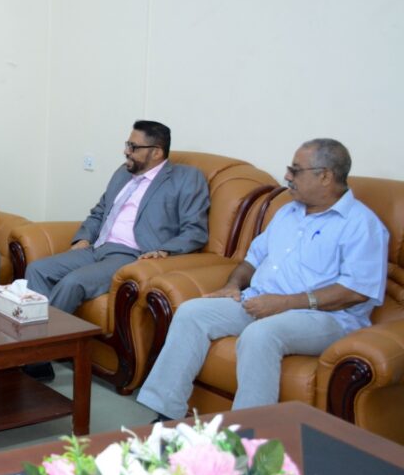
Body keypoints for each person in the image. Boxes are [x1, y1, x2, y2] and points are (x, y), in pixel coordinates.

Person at [138, 139, 388, 420]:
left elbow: (355, 291)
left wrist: (284, 303)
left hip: (323, 317)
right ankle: (166, 416)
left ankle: (249, 434)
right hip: (260, 302)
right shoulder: (288, 211)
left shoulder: (362, 225)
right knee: (192, 313)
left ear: (325, 176)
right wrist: (232, 285)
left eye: (296, 170)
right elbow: (252, 260)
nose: (287, 176)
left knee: (261, 335)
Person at [26, 120, 210, 314]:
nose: (126, 151)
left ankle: (45, 332)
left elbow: (195, 230)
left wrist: (164, 250)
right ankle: (33, 326)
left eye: (133, 147)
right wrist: (84, 238)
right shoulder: (123, 173)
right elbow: (100, 211)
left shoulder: (186, 178)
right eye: (127, 144)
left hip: (131, 255)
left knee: (72, 283)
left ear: (156, 152)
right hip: (97, 247)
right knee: (37, 269)